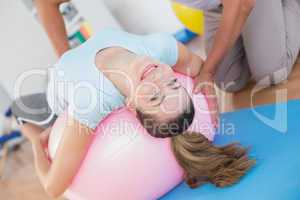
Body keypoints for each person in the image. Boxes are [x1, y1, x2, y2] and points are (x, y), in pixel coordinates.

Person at [12, 29, 254, 197]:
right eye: (173, 85)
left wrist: (36, 142)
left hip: (56, 104)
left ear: (130, 106)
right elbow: (201, 72)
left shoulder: (92, 102)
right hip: (69, 67)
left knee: (19, 109)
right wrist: (212, 113)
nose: (158, 77)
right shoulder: (161, 48)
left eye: (153, 96)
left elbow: (53, 188)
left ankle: (32, 127)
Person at [175, 0, 300, 122]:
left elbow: (244, 3)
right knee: (229, 81)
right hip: (217, 6)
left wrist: (207, 71)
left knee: (272, 74)